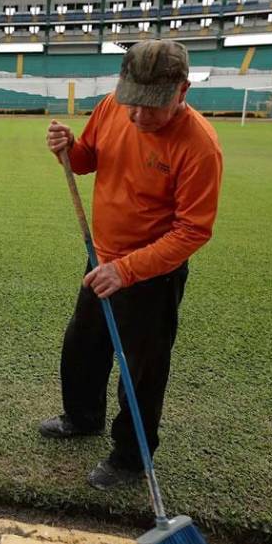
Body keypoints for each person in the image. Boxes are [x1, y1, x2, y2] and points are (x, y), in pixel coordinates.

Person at [41, 40, 223, 489]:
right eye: (132, 103)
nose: (139, 115)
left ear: (182, 91)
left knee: (141, 370)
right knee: (83, 345)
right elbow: (88, 159)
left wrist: (126, 271)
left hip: (150, 276)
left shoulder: (199, 146)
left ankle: (130, 458)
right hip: (101, 258)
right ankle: (82, 417)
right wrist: (67, 148)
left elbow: (192, 230)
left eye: (152, 106)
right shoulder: (111, 107)